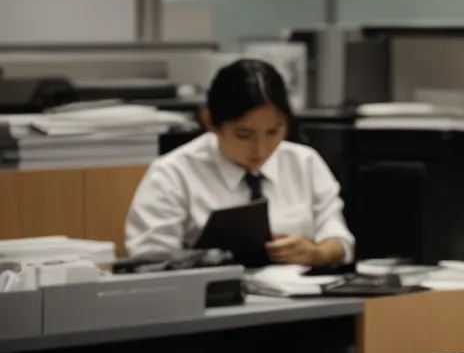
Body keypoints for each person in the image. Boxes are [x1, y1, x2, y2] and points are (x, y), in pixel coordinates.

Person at [126, 59, 354, 266]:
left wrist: (317, 253)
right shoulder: (173, 174)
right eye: (244, 135)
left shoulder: (304, 163)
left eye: (273, 132)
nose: (261, 149)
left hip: (300, 301)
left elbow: (338, 237)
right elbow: (148, 260)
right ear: (211, 122)